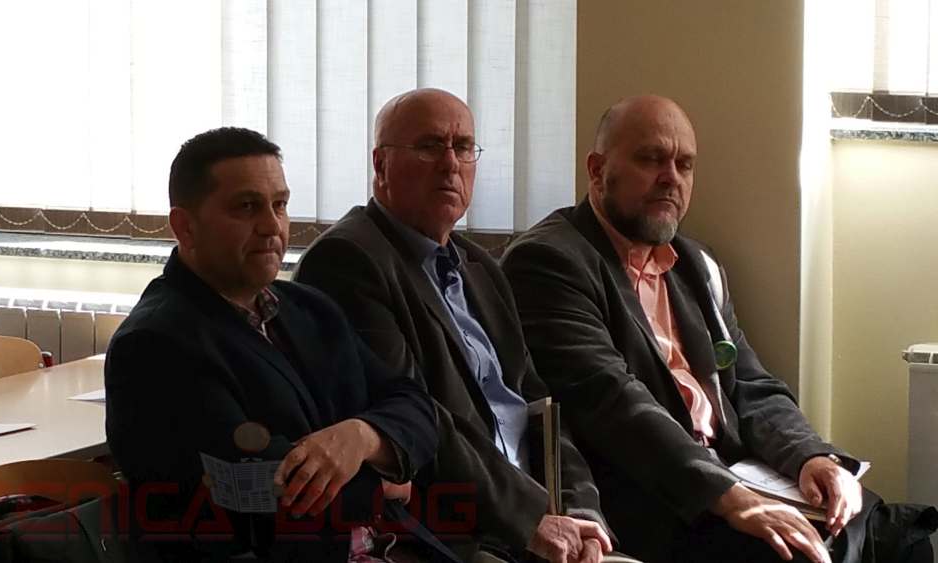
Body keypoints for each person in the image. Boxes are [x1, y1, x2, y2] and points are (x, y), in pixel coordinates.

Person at [500, 95, 936, 563]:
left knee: (899, 535)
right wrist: (731, 497)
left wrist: (811, 457)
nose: (671, 177)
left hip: (736, 473)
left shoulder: (697, 265)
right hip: (656, 496)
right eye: (650, 159)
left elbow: (750, 385)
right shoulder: (549, 262)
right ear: (597, 169)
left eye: (684, 165)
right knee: (805, 553)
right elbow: (614, 403)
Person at [295, 89, 630, 563]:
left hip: (537, 515)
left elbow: (538, 401)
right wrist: (531, 520)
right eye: (429, 146)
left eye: (464, 147)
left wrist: (580, 508)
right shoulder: (347, 260)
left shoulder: (478, 265)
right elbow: (416, 420)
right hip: (455, 530)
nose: (450, 163)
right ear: (381, 165)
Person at [105, 127, 458, 562]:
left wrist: (362, 437)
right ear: (186, 227)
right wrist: (385, 483)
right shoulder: (155, 344)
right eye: (247, 207)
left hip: (396, 545)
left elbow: (414, 404)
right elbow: (249, 491)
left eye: (280, 205)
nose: (272, 226)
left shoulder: (309, 308)